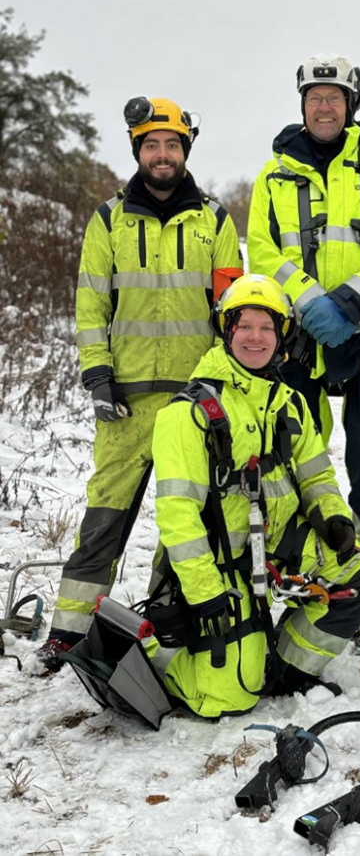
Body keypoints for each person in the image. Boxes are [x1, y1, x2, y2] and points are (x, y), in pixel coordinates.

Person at [41, 97, 244, 669]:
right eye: (152, 145)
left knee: (184, 518)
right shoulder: (107, 221)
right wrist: (97, 373)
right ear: (138, 151)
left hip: (191, 402)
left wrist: (218, 387)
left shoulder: (216, 221)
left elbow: (228, 310)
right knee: (105, 516)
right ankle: (68, 634)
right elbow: (90, 304)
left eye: (172, 145)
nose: (162, 155)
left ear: (185, 151)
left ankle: (159, 623)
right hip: (124, 403)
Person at [247, 54, 360, 655]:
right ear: (302, 105)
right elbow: (264, 248)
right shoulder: (274, 175)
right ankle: (321, 581)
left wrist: (353, 298)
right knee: (301, 468)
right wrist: (308, 301)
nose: (324, 107)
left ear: (352, 105)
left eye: (335, 97)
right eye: (314, 97)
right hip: (304, 337)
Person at [143, 274, 360, 715]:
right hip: (219, 563)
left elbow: (317, 477)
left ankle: (290, 670)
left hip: (277, 545)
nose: (257, 337)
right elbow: (178, 516)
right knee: (229, 695)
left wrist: (334, 519)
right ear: (226, 330)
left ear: (282, 336)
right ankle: (185, 662)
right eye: (246, 326)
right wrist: (203, 592)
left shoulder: (290, 403)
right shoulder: (189, 413)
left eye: (267, 327)